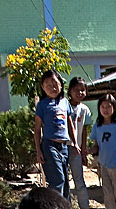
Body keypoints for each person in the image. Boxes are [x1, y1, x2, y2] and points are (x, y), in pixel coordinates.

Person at [35, 69, 75, 199]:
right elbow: (37, 129)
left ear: (61, 85)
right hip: (49, 146)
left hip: (64, 146)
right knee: (58, 179)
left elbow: (70, 125)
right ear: (43, 87)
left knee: (66, 183)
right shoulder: (42, 105)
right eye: (48, 85)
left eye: (55, 84)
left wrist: (75, 143)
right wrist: (38, 151)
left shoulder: (65, 102)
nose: (52, 87)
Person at [67, 77, 93, 209]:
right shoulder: (64, 106)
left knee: (79, 178)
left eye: (82, 90)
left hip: (76, 149)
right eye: (76, 90)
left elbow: (84, 131)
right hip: (64, 147)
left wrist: (83, 150)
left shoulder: (85, 110)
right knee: (64, 179)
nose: (80, 93)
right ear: (70, 91)